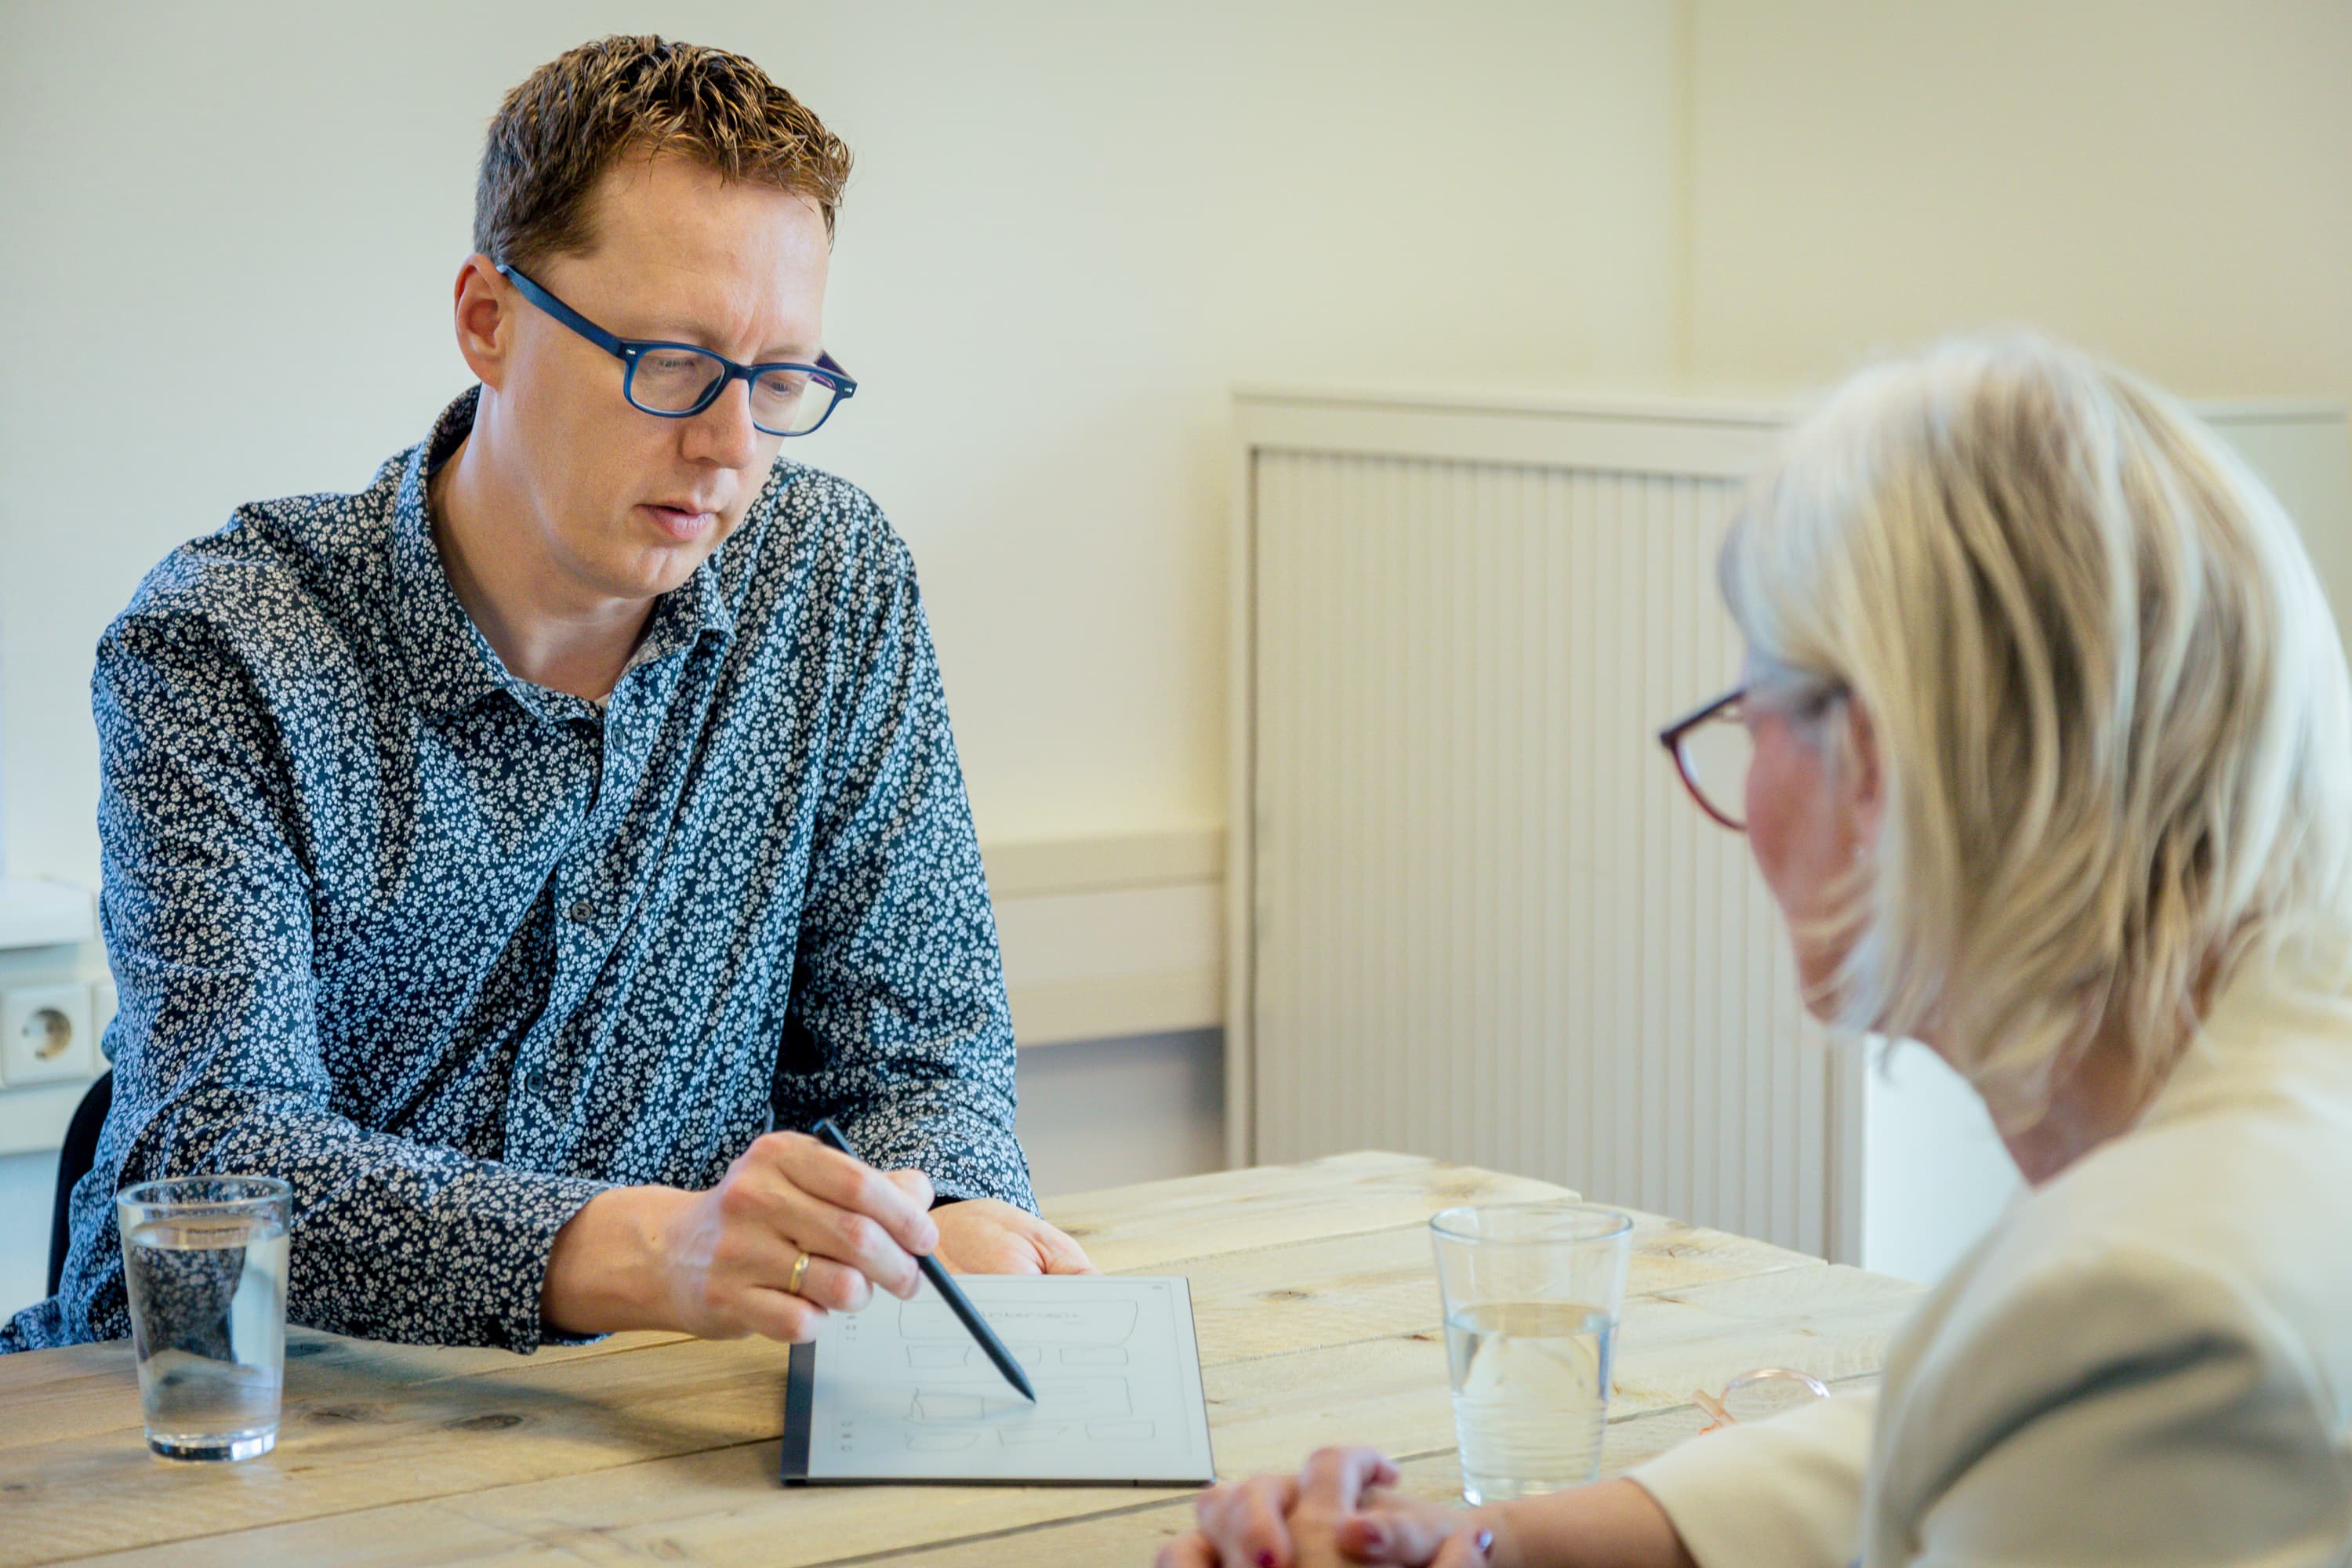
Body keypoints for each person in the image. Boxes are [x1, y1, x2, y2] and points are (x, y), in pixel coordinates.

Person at [1161, 335, 2352, 1566]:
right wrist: (1480, 1545)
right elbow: (1955, 1445)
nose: (1739, 793)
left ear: (1880, 759)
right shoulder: (2234, 1177)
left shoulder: (2152, 1302)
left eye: (1750, 717)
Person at [2, 34, 1091, 1357]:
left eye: (782, 379)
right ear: (489, 320)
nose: (731, 447)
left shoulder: (829, 579)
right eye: (672, 363)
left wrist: (947, 1211)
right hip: (249, 1422)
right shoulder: (228, 646)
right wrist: (647, 1249)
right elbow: (219, 1162)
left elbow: (918, 1053)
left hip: (642, 1424)